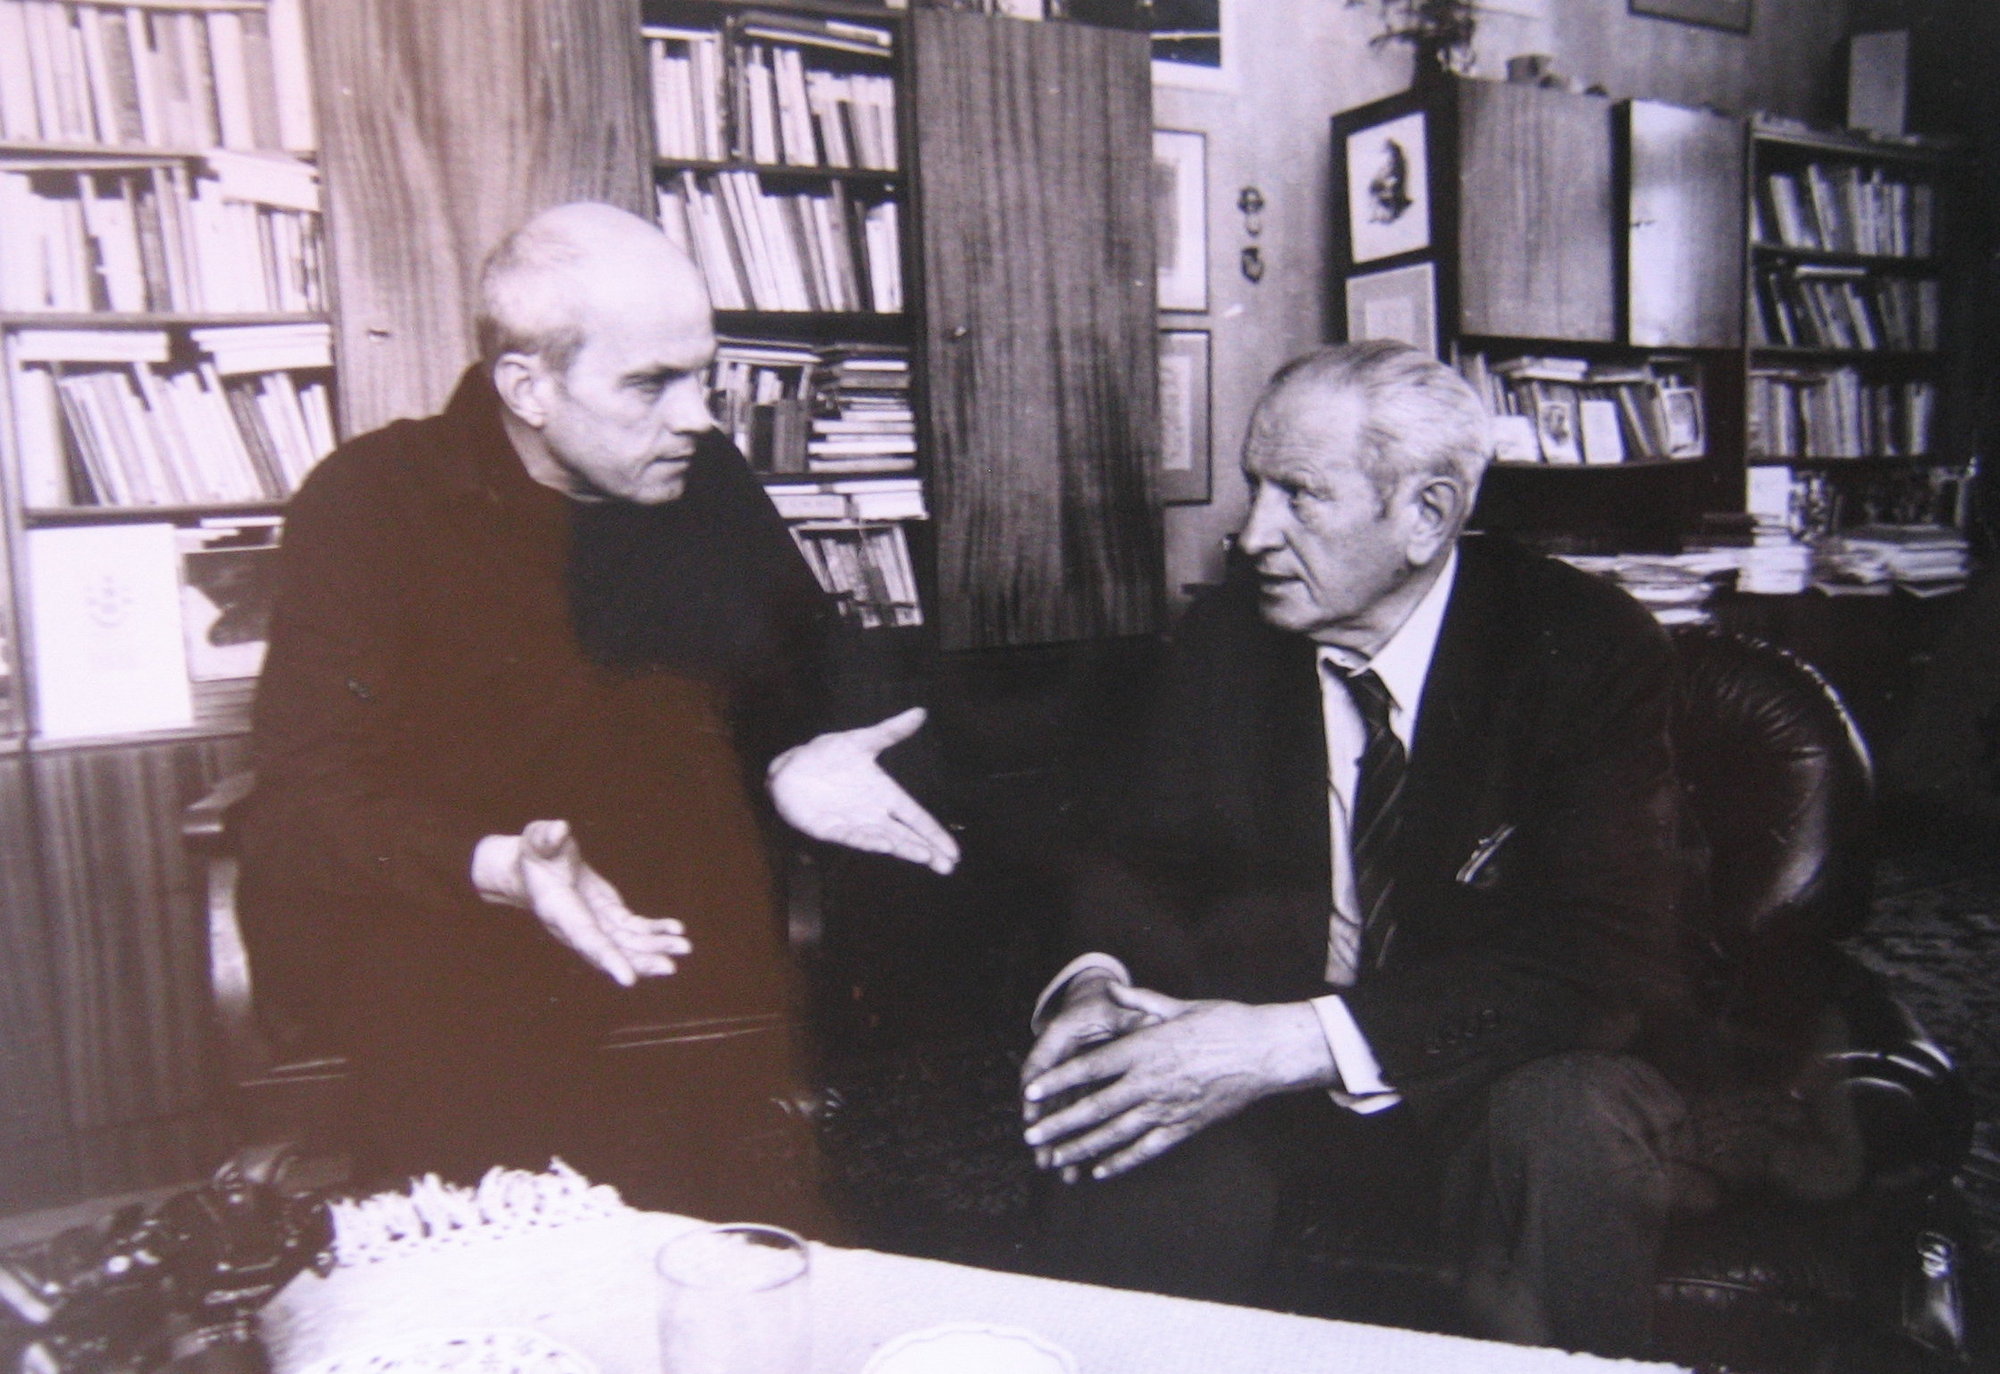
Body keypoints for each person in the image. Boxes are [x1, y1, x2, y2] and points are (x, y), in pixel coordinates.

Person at [239, 202, 957, 1223]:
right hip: (455, 937)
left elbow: (824, 679)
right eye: (651, 384)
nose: (699, 418)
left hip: (680, 927)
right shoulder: (369, 502)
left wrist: (804, 755)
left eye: (702, 375)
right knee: (503, 1233)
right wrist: (501, 867)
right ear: (526, 387)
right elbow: (306, 800)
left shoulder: (704, 481)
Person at [1020, 341, 1689, 1357]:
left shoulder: (1583, 650)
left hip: (1509, 1062)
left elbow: (1598, 961)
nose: (1253, 534)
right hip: (1279, 1056)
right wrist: (1096, 982)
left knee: (1564, 1126)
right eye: (1254, 487)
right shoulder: (1231, 636)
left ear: (1426, 513)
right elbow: (1140, 855)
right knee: (1119, 1111)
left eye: (1298, 494)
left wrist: (1283, 1044)